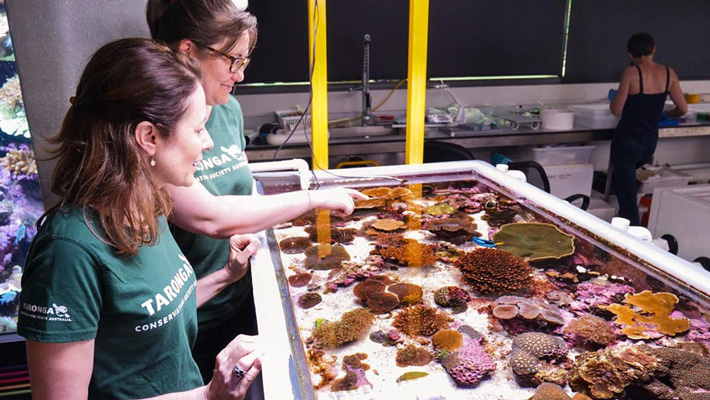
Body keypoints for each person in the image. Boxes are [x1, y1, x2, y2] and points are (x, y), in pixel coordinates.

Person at [18, 38, 262, 400]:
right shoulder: (68, 254)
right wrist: (209, 395)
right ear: (148, 137)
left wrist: (226, 276)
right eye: (197, 129)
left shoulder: (147, 204)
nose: (207, 142)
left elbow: (151, 316)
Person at [145, 0, 367, 383]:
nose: (241, 75)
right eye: (233, 61)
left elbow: (244, 192)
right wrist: (312, 200)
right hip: (190, 315)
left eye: (245, 61)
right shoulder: (158, 129)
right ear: (187, 51)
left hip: (241, 290)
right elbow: (208, 215)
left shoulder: (227, 109)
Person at [609, 32, 687, 226]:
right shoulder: (669, 73)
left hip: (627, 140)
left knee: (626, 198)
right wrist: (667, 115)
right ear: (653, 49)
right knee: (628, 189)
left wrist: (617, 97)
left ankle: (633, 238)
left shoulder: (631, 73)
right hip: (649, 142)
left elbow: (616, 109)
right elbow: (683, 109)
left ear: (630, 55)